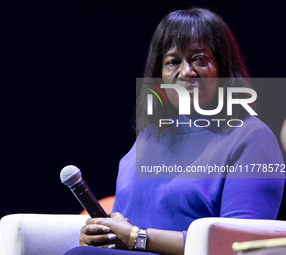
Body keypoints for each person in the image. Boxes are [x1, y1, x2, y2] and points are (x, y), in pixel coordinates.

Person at [64, 7, 285, 255]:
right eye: (172, 62)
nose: (186, 73)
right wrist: (102, 236)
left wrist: (137, 237)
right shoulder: (149, 137)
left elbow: (237, 246)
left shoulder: (252, 139)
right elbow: (123, 228)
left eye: (199, 59)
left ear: (223, 68)